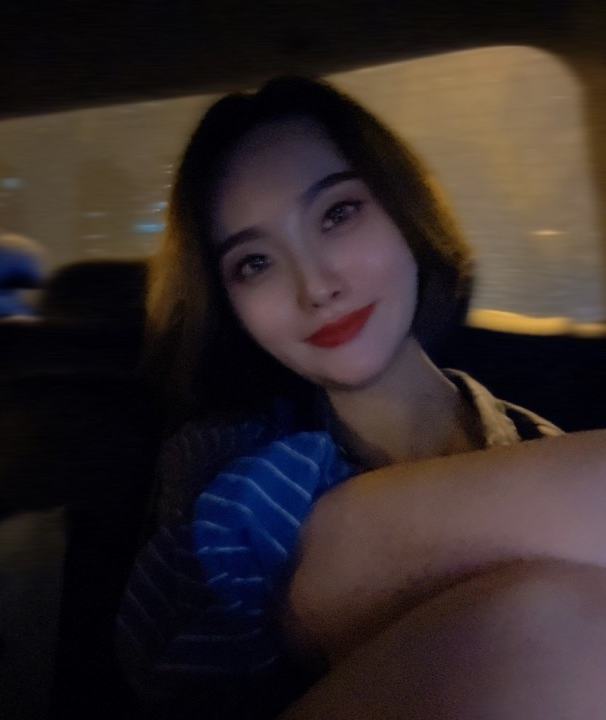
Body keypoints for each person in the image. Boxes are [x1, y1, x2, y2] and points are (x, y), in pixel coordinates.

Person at [117, 76, 606, 719]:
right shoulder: (220, 466)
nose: (316, 287)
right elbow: (176, 666)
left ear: (404, 209)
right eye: (254, 263)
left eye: (337, 214)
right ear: (229, 305)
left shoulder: (538, 442)